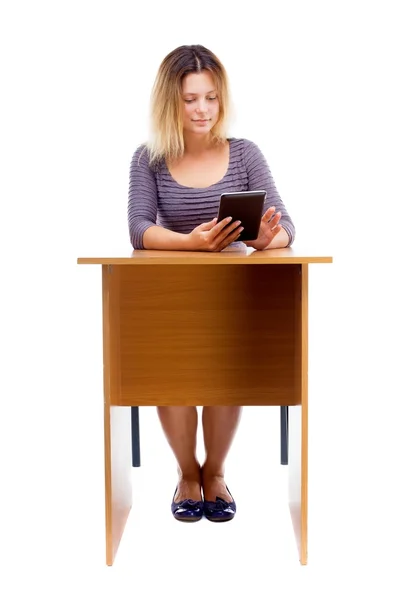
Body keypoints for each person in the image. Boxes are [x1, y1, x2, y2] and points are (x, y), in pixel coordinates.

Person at [127, 44, 296, 522]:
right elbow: (139, 229)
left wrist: (266, 240)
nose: (202, 109)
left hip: (234, 300)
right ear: (170, 102)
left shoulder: (245, 154)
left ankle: (215, 472)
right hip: (170, 301)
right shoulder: (149, 159)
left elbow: (287, 228)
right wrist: (191, 243)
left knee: (225, 380)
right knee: (172, 380)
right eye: (189, 99)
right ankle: (186, 473)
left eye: (211, 98)